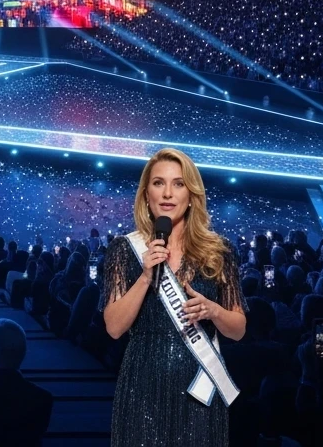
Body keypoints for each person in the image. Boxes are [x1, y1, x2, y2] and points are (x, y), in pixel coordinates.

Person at [101, 147, 245, 447]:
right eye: (158, 183)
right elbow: (114, 328)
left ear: (191, 196)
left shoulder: (220, 252)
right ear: (146, 194)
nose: (167, 193)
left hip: (200, 390)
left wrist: (214, 311)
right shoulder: (124, 249)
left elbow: (238, 329)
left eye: (178, 183)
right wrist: (144, 277)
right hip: (141, 386)